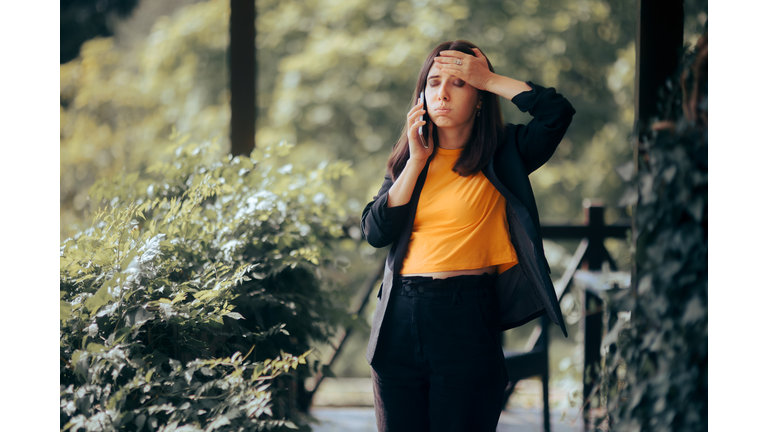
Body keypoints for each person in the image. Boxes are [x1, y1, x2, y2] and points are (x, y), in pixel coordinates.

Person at [360, 40, 576, 432]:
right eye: (433, 82)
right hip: (399, 319)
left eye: (459, 83)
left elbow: (556, 114)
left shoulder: (506, 150)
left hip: (466, 317)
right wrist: (415, 163)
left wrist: (490, 78)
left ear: (480, 97)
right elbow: (374, 231)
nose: (441, 93)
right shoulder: (410, 158)